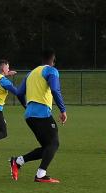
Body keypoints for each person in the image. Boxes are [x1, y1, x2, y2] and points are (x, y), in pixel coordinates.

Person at [10, 49, 67, 183]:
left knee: (47, 148)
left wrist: (27, 106)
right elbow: (55, 89)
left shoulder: (30, 74)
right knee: (54, 143)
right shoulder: (51, 71)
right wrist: (63, 110)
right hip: (41, 114)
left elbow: (19, 93)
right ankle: (41, 175)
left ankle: (17, 161)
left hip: (29, 115)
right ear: (53, 61)